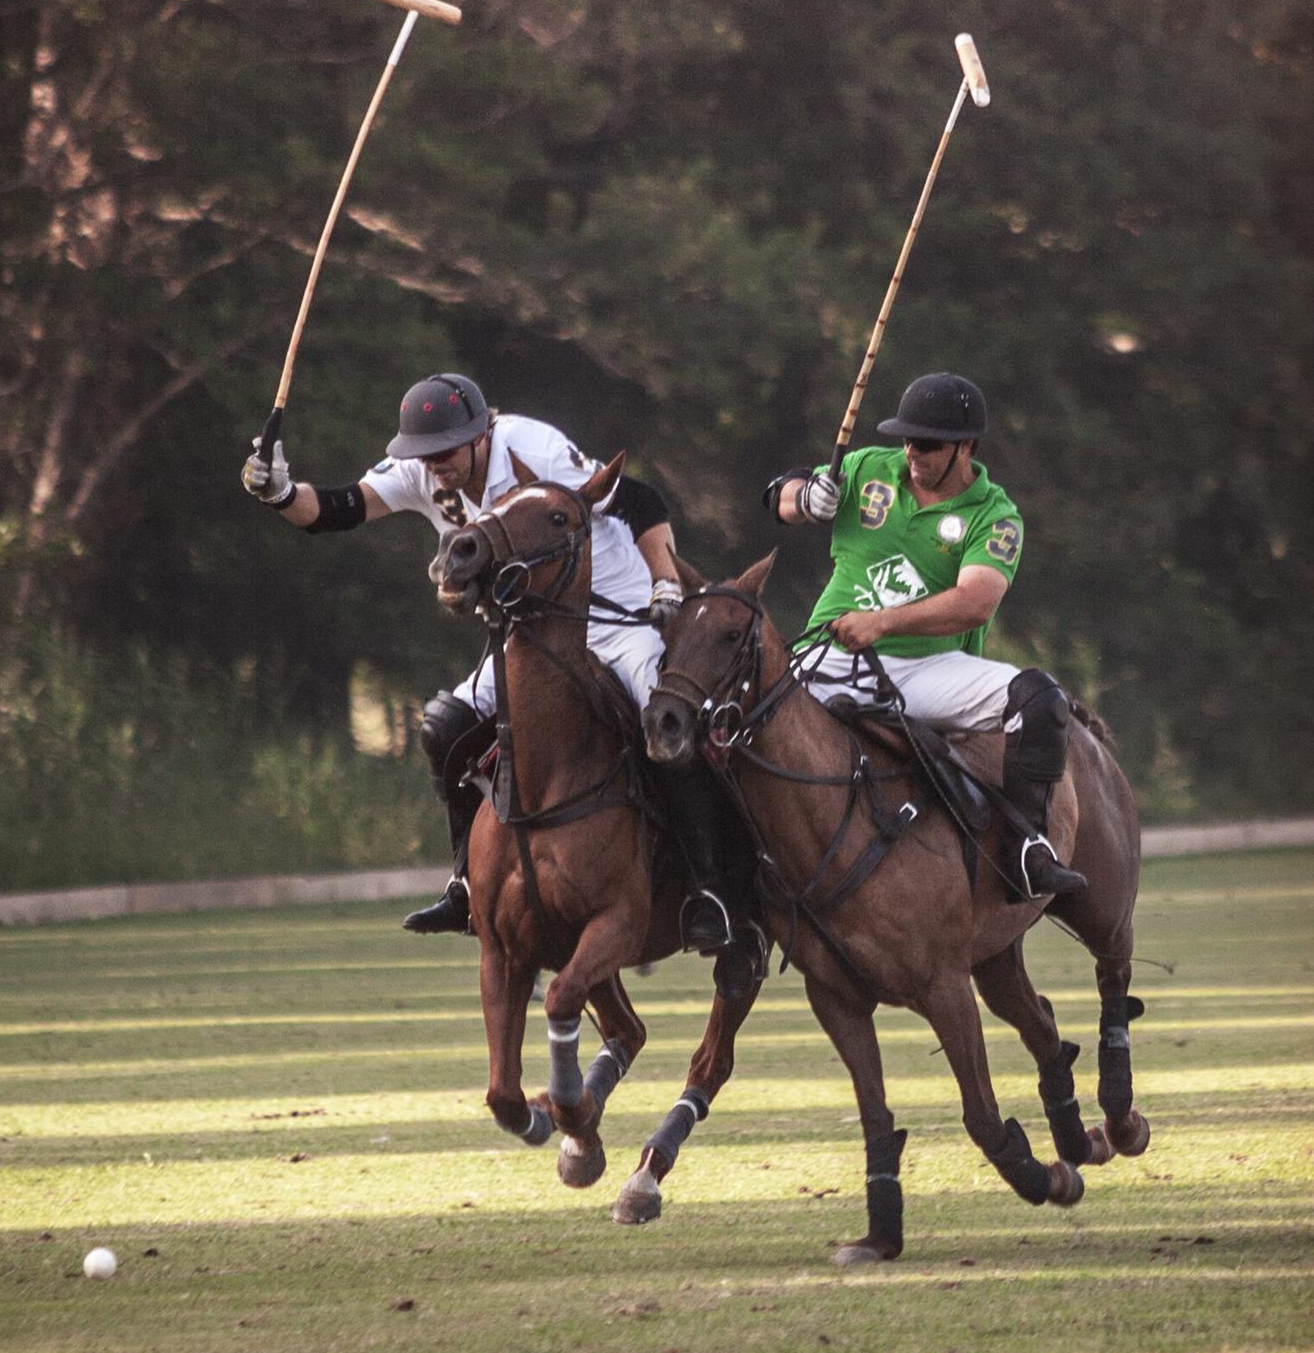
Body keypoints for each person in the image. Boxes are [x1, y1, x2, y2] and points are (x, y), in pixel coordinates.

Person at [242, 373, 760, 977]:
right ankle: (466, 883)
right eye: (423, 456)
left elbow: (638, 499)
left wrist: (666, 580)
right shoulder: (420, 468)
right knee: (443, 727)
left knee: (668, 728)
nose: (433, 468)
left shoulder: (533, 447)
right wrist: (278, 491)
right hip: (537, 635)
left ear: (481, 434)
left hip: (619, 616)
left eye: (445, 454)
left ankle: (710, 888)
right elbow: (337, 509)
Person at [765, 371, 1086, 898]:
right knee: (735, 722)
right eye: (907, 439)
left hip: (927, 668)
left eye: (929, 444)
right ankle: (719, 882)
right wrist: (802, 499)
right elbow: (781, 494)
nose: (914, 452)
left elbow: (974, 603)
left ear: (967, 447)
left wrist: (883, 621)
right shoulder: (869, 468)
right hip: (829, 653)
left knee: (1040, 700)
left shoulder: (995, 515)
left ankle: (1027, 850)